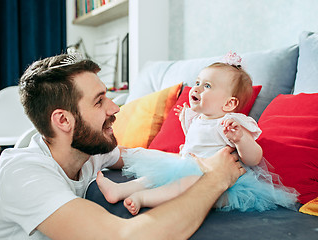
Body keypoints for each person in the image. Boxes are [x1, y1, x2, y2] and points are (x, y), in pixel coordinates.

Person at [0, 53, 245, 240]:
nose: (115, 108)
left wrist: (194, 163)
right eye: (99, 101)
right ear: (63, 120)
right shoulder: (24, 175)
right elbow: (126, 236)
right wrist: (215, 179)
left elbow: (132, 154)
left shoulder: (85, 152)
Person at [97, 52, 298, 215]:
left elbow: (254, 158)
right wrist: (186, 123)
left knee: (185, 184)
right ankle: (120, 190)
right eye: (198, 82)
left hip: (215, 179)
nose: (197, 88)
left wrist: (241, 139)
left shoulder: (230, 124)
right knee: (153, 175)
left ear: (229, 103)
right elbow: (194, 141)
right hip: (188, 165)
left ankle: (144, 199)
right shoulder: (197, 118)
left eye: (207, 86)